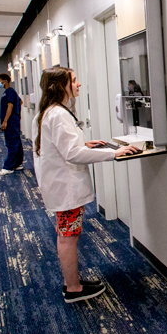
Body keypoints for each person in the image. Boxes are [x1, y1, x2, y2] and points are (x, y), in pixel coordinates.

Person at [33, 67, 141, 303]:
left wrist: (85, 143)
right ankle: (73, 288)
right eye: (74, 80)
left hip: (61, 186)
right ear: (61, 86)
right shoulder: (58, 114)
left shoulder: (51, 112)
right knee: (68, 237)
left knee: (67, 235)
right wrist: (113, 154)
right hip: (66, 189)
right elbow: (72, 154)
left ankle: (72, 282)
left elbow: (62, 146)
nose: (79, 84)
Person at [0, 74, 23, 176]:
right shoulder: (9, 92)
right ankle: (18, 163)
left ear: (5, 81)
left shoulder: (9, 92)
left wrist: (5, 121)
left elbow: (10, 106)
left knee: (12, 143)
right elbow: (20, 102)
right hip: (13, 121)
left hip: (11, 122)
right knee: (16, 142)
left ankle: (8, 167)